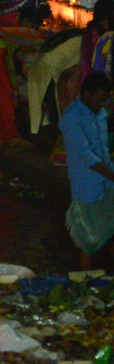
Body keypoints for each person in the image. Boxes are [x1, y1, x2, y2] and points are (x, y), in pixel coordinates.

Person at [62, 72, 114, 266]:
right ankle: (83, 281)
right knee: (88, 242)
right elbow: (86, 156)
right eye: (99, 99)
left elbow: (103, 146)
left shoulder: (100, 113)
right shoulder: (71, 118)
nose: (101, 104)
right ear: (86, 94)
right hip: (87, 185)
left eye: (104, 100)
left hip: (106, 180)